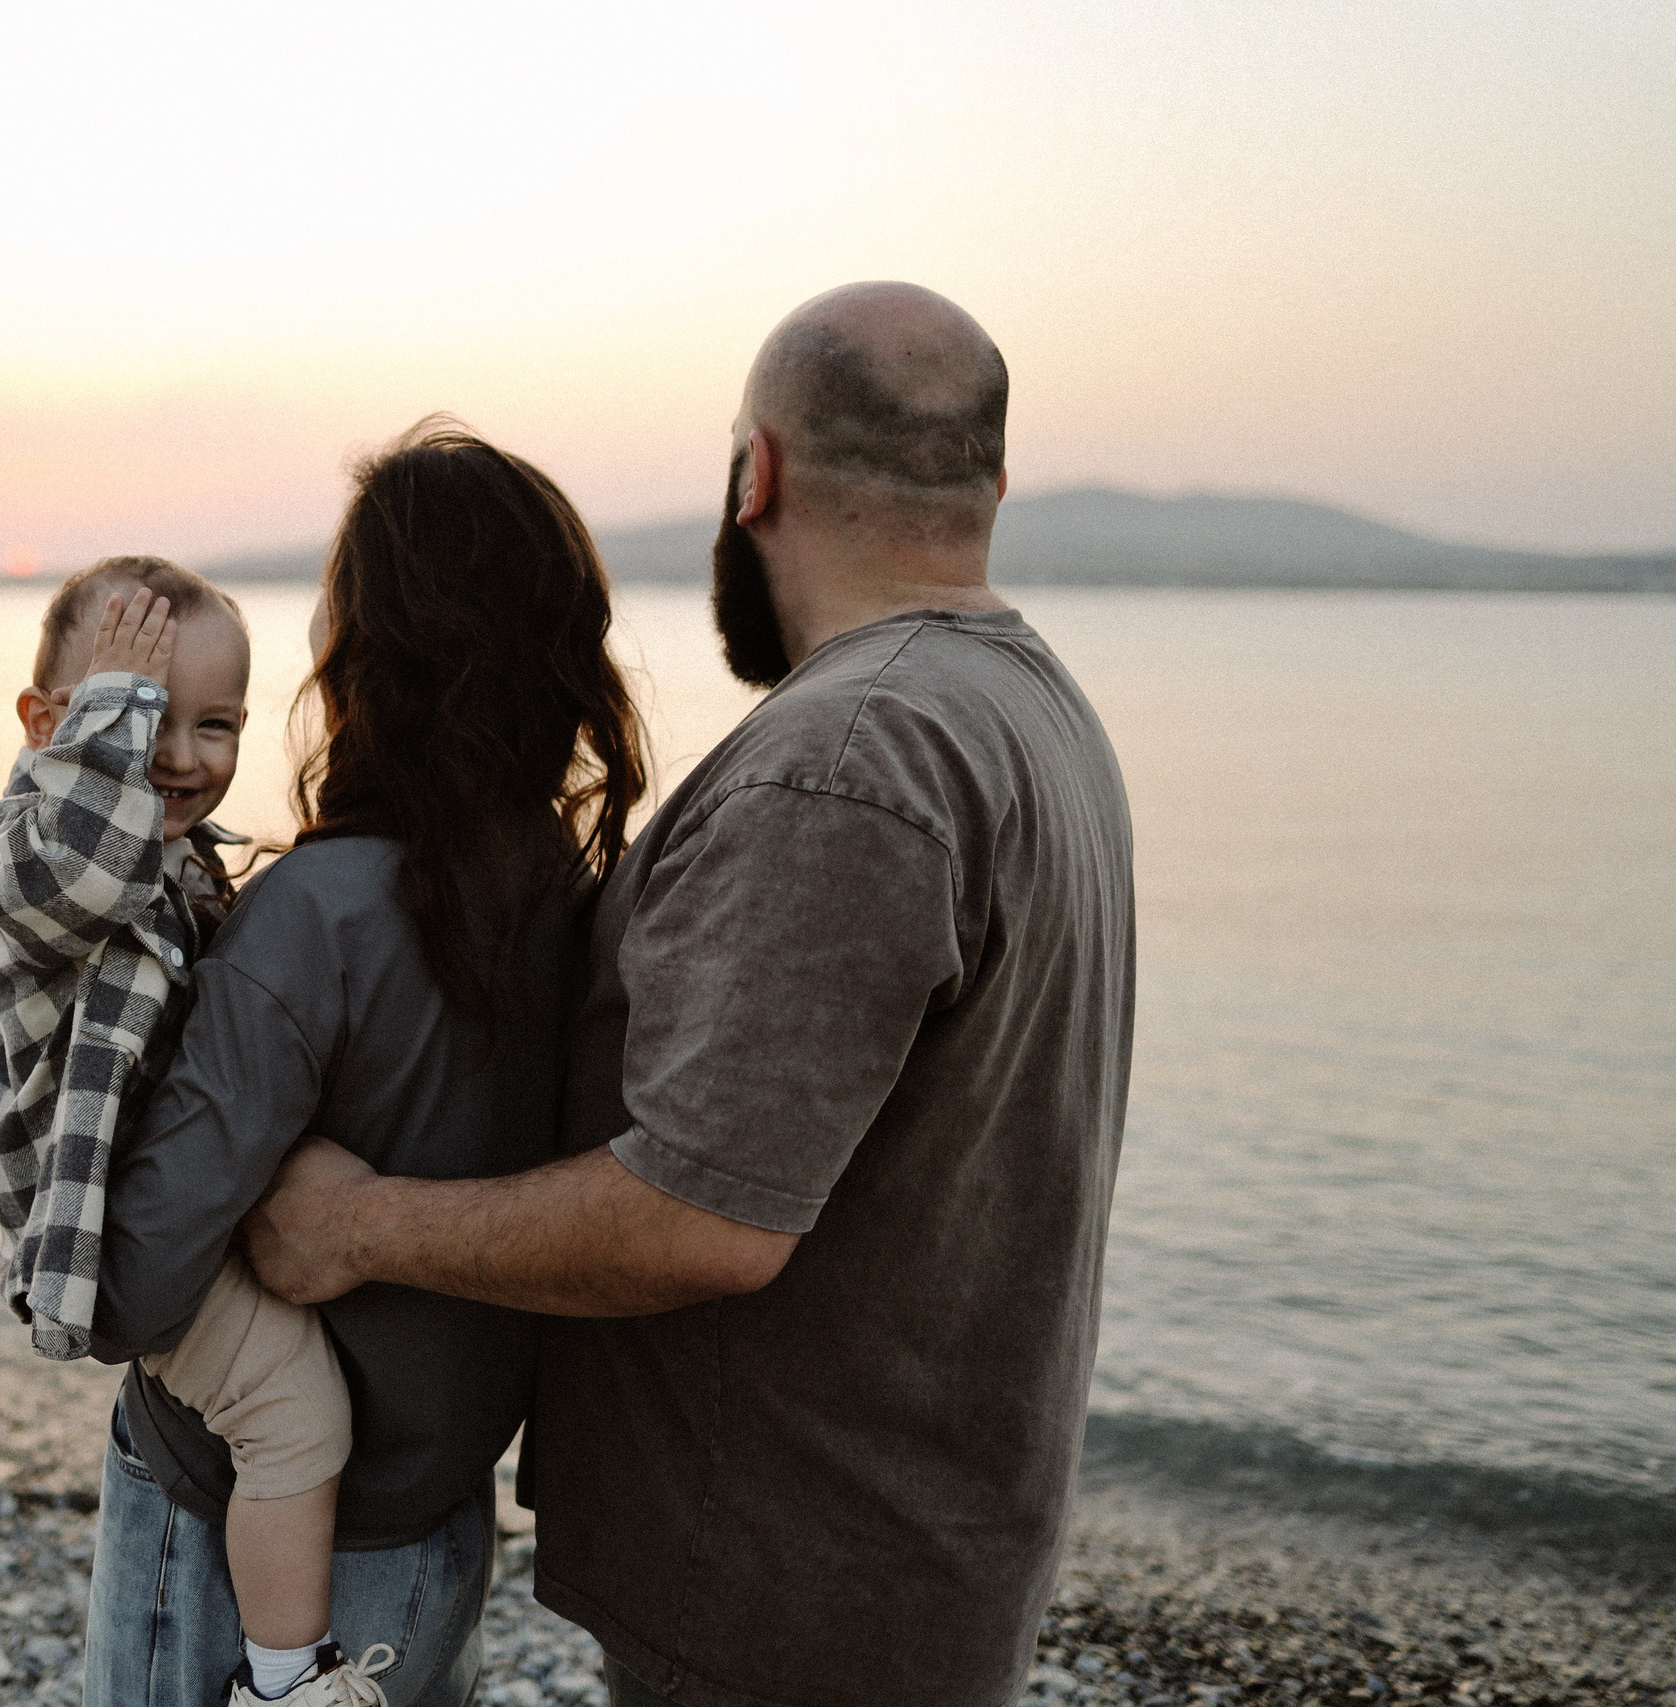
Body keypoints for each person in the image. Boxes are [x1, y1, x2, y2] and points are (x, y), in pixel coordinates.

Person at [244, 284, 1138, 1707]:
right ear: (991, 481)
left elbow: (703, 1218)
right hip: (904, 1561)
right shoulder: (1028, 706)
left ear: (755, 474)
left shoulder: (849, 755)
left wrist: (349, 1223)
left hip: (793, 1602)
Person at [80, 422, 649, 1707]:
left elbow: (129, 1288)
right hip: (444, 1514)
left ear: (363, 657)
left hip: (238, 1534)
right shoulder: (576, 897)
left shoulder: (316, 915)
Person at [0, 557, 366, 1705]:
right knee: (297, 1414)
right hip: (95, 1227)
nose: (182, 754)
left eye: (217, 722)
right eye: (140, 713)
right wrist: (114, 724)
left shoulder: (177, 850)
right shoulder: (29, 851)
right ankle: (287, 1681)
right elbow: (91, 871)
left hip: (165, 1193)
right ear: (49, 723)